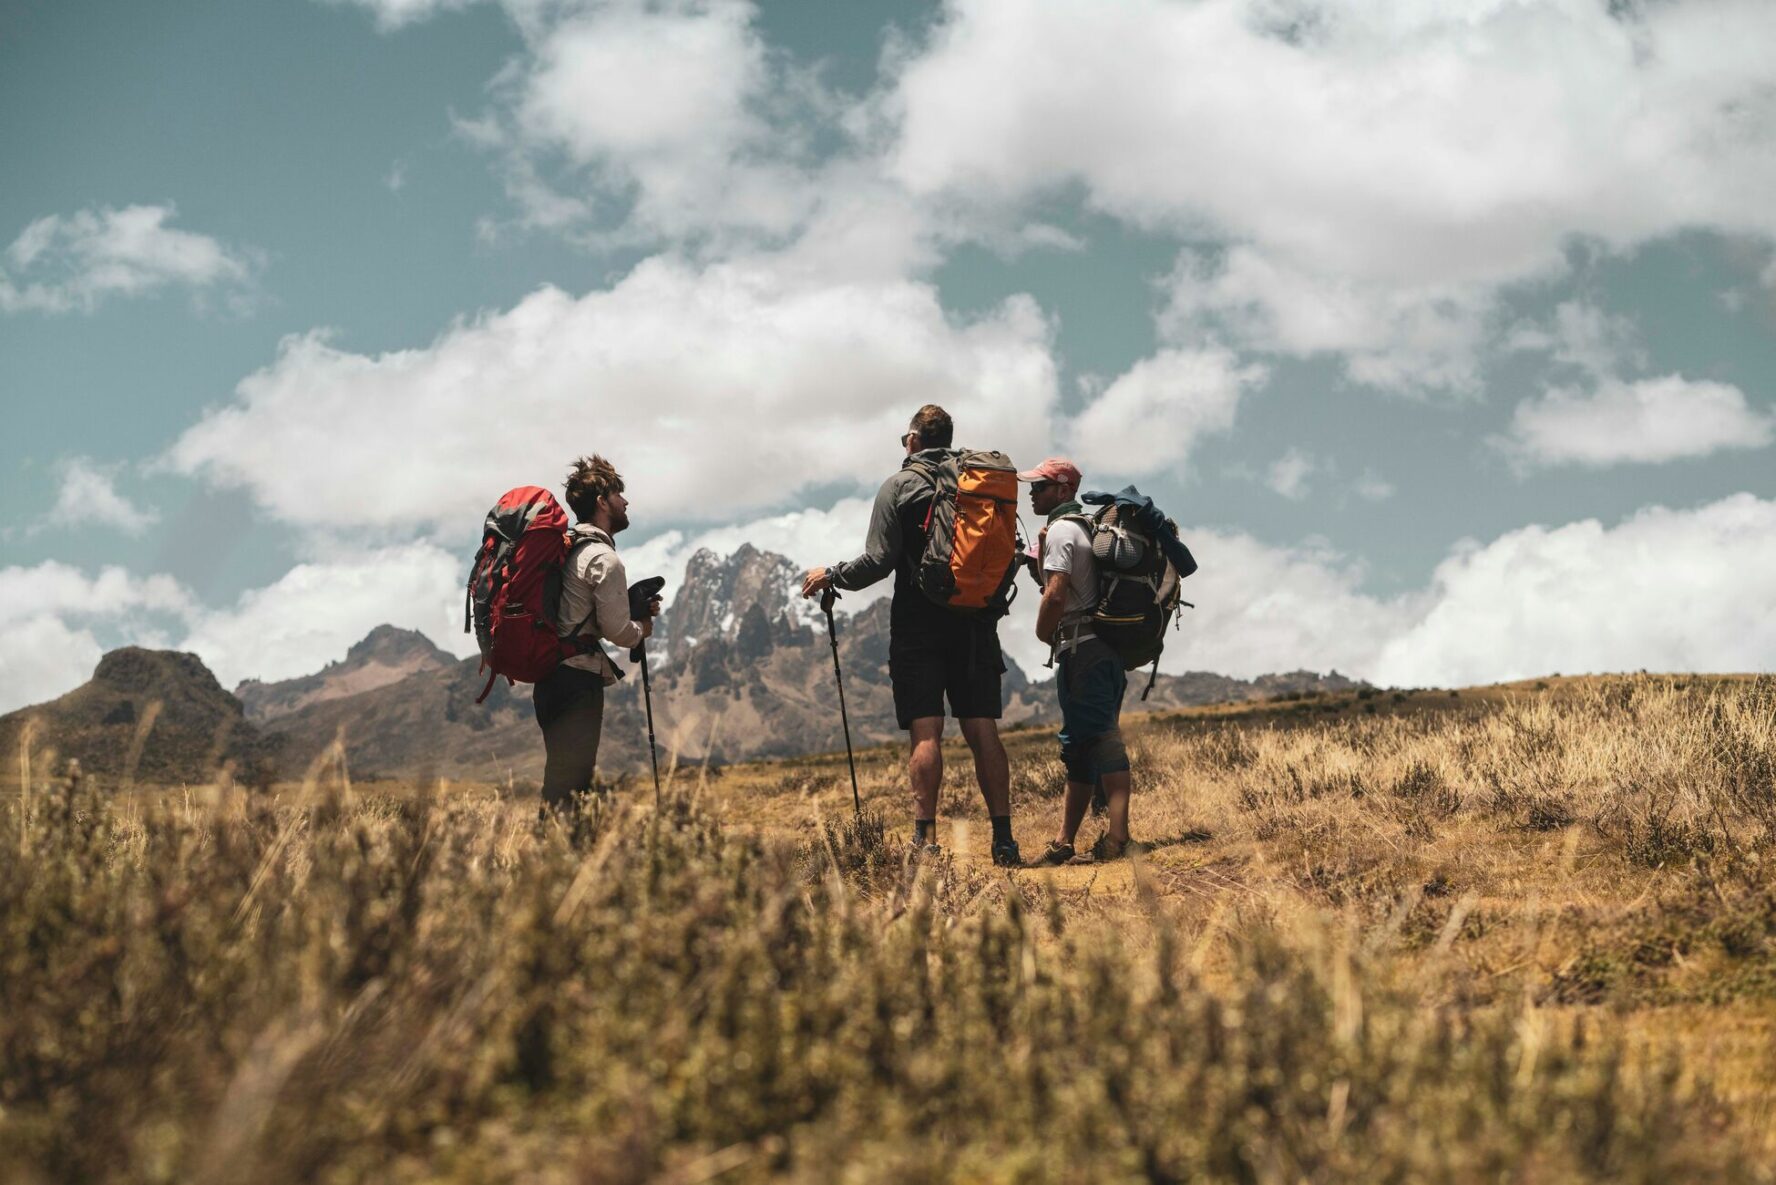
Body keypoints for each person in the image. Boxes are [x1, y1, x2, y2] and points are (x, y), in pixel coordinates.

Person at [800, 405, 1022, 866]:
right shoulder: (977, 481)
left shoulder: (899, 486)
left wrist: (832, 575)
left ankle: (926, 842)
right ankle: (1004, 840)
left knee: (927, 733)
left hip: (919, 625)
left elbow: (877, 562)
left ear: (914, 440)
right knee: (983, 729)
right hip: (977, 620)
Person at [1022, 457, 1138, 864]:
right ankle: (1065, 842)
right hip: (1099, 651)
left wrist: (1041, 633)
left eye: (1040, 486)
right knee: (1081, 746)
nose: (1031, 493)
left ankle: (1118, 839)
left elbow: (1056, 594)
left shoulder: (1060, 531)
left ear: (1064, 489)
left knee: (1101, 743)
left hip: (1082, 651)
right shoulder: (1083, 528)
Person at [535, 454, 658, 810]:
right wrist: (642, 628)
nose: (626, 501)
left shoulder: (570, 548)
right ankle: (556, 860)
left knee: (562, 780)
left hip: (550, 679)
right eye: (619, 494)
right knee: (572, 788)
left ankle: (554, 857)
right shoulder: (604, 558)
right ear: (603, 502)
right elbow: (618, 631)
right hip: (577, 681)